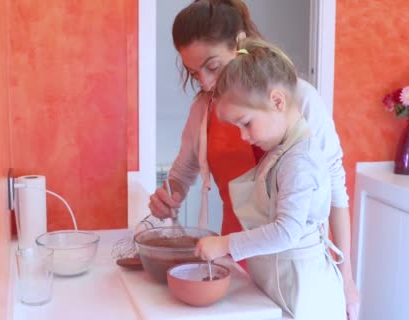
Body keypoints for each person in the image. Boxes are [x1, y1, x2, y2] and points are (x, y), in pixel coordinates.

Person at [147, 1, 359, 318]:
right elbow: (183, 172)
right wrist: (171, 195)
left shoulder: (299, 98)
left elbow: (335, 188)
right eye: (194, 72)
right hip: (236, 266)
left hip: (293, 269)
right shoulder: (204, 111)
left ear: (239, 43)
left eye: (213, 67)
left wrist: (347, 279)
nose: (205, 83)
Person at [194, 37, 345, 319]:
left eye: (246, 123)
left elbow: (287, 231)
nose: (243, 135)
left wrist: (226, 244)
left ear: (277, 101)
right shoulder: (281, 152)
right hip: (281, 288)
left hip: (305, 298)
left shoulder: (299, 161)